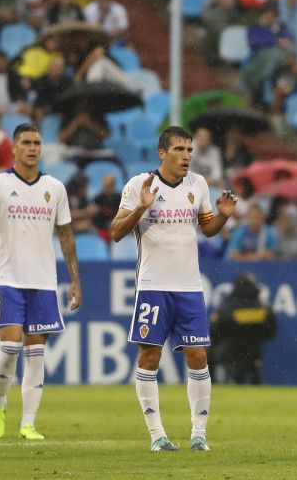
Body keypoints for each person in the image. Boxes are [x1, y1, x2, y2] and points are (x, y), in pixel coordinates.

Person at [111, 126, 237, 452]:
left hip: (189, 287)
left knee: (198, 356)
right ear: (162, 153)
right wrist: (141, 206)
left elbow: (207, 229)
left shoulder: (199, 184)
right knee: (149, 356)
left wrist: (221, 217)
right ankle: (157, 436)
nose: (186, 156)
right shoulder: (140, 185)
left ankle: (199, 434)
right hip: (153, 286)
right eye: (179, 150)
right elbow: (115, 231)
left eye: (189, 150)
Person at [0, 123, 82, 441]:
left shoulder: (55, 188)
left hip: (43, 281)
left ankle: (28, 423)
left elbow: (66, 236)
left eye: (37, 142)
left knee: (35, 353)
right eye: (26, 142)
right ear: (14, 147)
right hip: (8, 278)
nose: (33, 148)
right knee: (10, 346)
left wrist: (75, 281)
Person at [209, 273, 276, 384]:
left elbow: (214, 331)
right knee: (251, 361)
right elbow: (271, 332)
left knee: (209, 353)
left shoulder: (226, 308)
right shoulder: (265, 308)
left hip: (229, 352)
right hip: (254, 353)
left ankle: (212, 384)